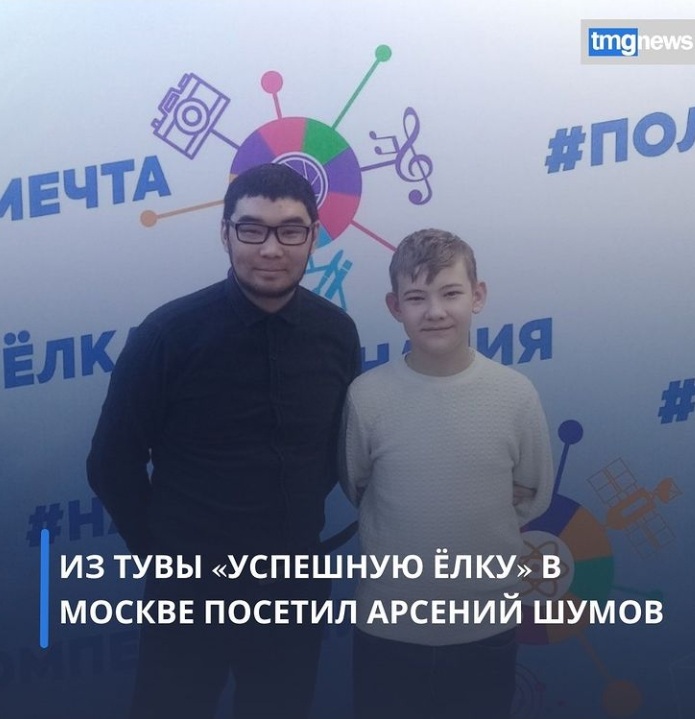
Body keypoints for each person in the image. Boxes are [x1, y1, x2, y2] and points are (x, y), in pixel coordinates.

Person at [87, 163, 361, 719]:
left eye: (290, 230)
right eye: (251, 229)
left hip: (292, 592)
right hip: (188, 598)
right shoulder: (168, 335)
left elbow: (336, 451)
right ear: (225, 233)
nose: (270, 248)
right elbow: (111, 464)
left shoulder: (337, 333)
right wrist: (168, 562)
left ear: (313, 237)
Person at [340, 229, 554, 719]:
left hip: (485, 626)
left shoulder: (515, 395)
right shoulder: (366, 397)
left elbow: (531, 494)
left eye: (450, 293)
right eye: (417, 297)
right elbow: (359, 487)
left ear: (477, 296)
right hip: (388, 628)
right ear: (395, 307)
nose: (434, 311)